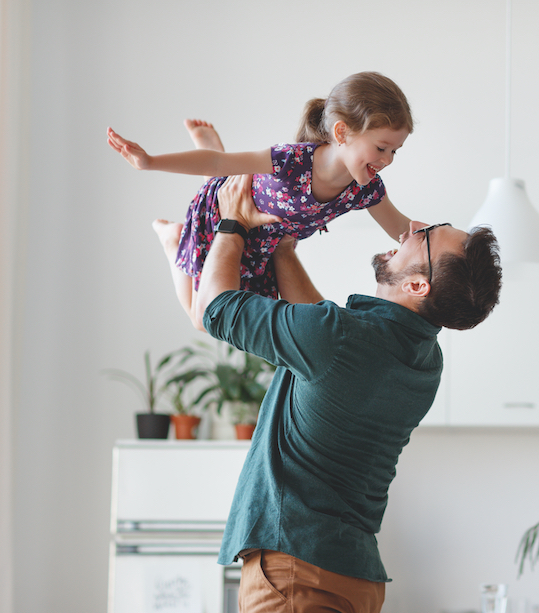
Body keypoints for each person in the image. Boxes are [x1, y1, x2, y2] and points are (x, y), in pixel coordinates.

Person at [195, 172, 502, 613]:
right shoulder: (423, 360)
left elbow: (214, 307)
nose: (414, 227)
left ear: (418, 285)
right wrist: (282, 248)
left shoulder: (339, 338)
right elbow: (322, 338)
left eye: (428, 236)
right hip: (353, 578)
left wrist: (232, 223)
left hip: (296, 573)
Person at [107, 71, 415, 330]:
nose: (387, 160)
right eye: (381, 148)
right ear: (342, 132)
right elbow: (215, 162)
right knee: (203, 320)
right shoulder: (291, 161)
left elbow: (403, 228)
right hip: (222, 218)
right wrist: (149, 161)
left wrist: (458, 242)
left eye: (395, 151)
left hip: (263, 248)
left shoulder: (366, 189)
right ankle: (172, 239)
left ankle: (215, 169)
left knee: (226, 319)